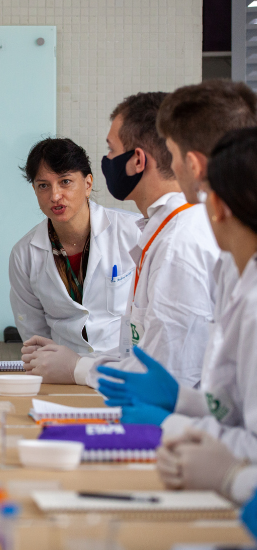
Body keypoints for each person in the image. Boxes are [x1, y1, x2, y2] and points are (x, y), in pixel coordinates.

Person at [23, 92, 219, 387]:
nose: (107, 161)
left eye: (111, 150)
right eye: (43, 185)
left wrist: (78, 368)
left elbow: (170, 376)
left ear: (137, 160)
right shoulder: (161, 231)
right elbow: (146, 352)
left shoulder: (178, 244)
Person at [98, 128, 257, 457]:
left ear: (217, 205)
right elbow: (236, 410)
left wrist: (171, 424)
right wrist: (182, 401)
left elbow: (251, 445)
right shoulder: (240, 274)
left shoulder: (185, 245)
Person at [156, 79, 257, 389]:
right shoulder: (232, 257)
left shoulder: (187, 236)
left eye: (171, 153)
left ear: (193, 164)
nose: (171, 167)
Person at [9, 138, 140, 356]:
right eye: (43, 186)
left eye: (65, 182)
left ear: (88, 184)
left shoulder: (133, 232)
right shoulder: (24, 254)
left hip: (125, 368)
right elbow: (34, 334)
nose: (55, 196)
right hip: (62, 371)